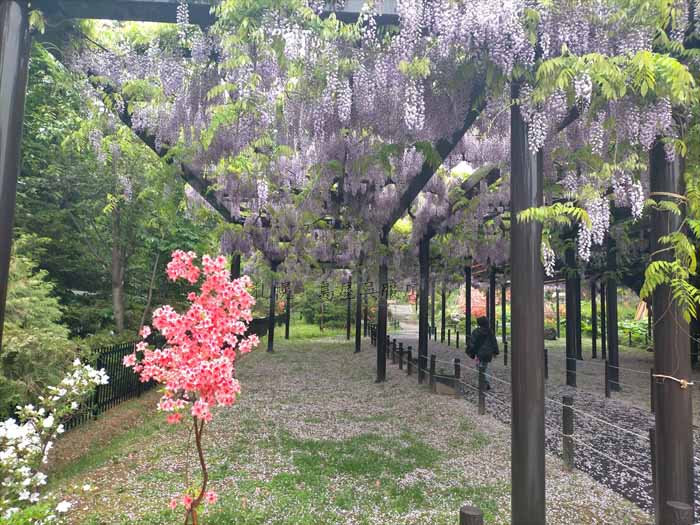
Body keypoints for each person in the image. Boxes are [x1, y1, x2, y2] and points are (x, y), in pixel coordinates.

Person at [467, 316, 499, 390]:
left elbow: (472, 343)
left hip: (479, 353)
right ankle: (485, 382)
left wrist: (471, 352)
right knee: (485, 367)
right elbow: (494, 342)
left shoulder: (476, 331)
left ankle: (484, 383)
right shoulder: (490, 331)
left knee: (479, 367)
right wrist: (495, 352)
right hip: (488, 353)